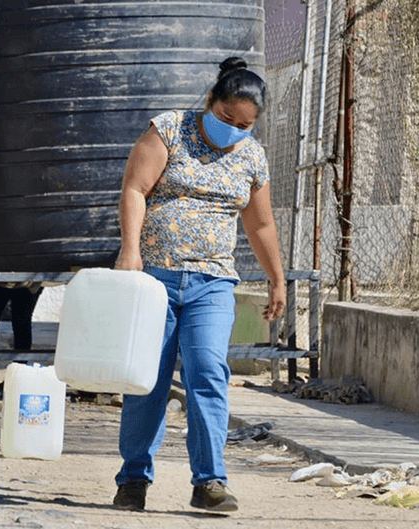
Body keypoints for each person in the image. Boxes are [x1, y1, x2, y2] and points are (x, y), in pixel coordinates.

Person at [112, 57, 286, 513]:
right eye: (228, 118)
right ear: (211, 101)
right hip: (155, 279)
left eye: (245, 125)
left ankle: (209, 481)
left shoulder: (251, 156)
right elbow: (135, 187)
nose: (234, 130)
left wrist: (277, 279)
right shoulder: (170, 130)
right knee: (147, 380)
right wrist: (130, 251)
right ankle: (133, 479)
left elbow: (261, 225)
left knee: (208, 373)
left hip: (212, 283)